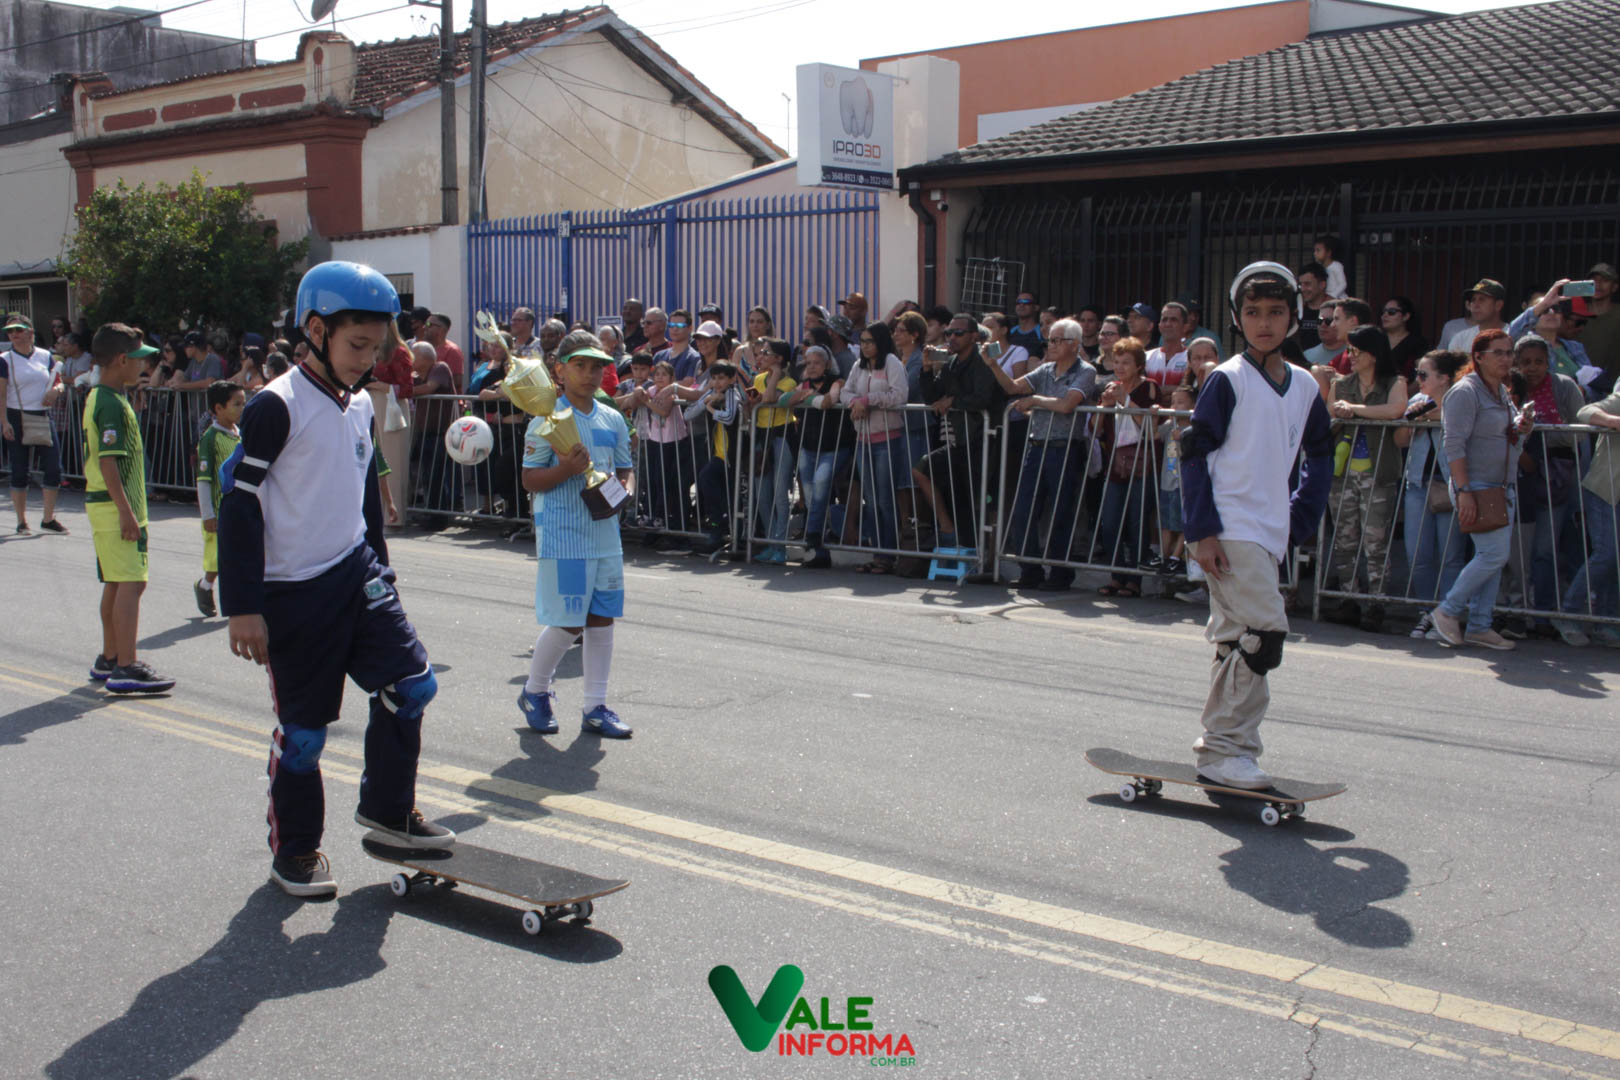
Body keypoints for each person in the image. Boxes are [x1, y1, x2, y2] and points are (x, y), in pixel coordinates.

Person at [221, 262, 454, 899]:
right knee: (304, 737)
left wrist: (383, 570)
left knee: (413, 685)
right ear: (317, 331)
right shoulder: (276, 406)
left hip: (357, 575)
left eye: (376, 348)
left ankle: (387, 809)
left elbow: (362, 499)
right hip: (292, 593)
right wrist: (242, 605)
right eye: (357, 345)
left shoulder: (359, 406)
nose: (367, 360)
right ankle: (295, 850)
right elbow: (239, 503)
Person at [1180, 262, 1334, 790]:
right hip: (1229, 526)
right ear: (1236, 317)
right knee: (1265, 633)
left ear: (1293, 316)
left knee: (1235, 641)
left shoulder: (1305, 384)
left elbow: (1320, 452)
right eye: (1252, 312)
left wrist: (1301, 514)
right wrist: (1201, 531)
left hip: (1269, 530)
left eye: (1275, 312)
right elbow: (1194, 453)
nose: (1263, 323)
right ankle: (1226, 750)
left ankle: (1218, 750)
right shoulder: (1228, 379)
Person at [514, 331, 635, 739]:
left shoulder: (612, 418)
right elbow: (530, 479)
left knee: (602, 619)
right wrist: (567, 469)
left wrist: (624, 491)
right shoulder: (545, 420)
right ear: (559, 370)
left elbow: (624, 466)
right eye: (580, 365)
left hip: (605, 536)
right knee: (569, 622)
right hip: (565, 537)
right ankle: (534, 691)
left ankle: (595, 707)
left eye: (597, 366)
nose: (589, 374)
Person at [83, 323, 175, 694]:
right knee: (132, 583)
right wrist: (126, 512)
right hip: (115, 507)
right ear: (121, 360)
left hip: (105, 506)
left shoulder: (104, 396)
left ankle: (110, 657)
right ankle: (126, 665)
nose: (143, 366)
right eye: (138, 359)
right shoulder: (109, 402)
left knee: (117, 582)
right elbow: (108, 462)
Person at [1428, 329, 1534, 650]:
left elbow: (1507, 436)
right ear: (1478, 357)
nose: (1506, 358)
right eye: (1498, 353)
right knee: (1494, 554)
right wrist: (1464, 491)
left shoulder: (1500, 390)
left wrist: (1523, 427)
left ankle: (1479, 626)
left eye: (1509, 352)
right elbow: (1453, 444)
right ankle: (1447, 611)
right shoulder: (1465, 392)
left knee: (1493, 557)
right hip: (1476, 486)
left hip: (1500, 486)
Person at [985, 317, 1096, 591]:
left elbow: (1068, 404)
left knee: (1060, 512)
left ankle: (1059, 573)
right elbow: (1013, 388)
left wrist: (1035, 400)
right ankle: (1030, 569)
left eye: (1058, 340)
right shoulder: (1045, 369)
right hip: (1036, 446)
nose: (1052, 345)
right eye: (1050, 340)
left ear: (1074, 344)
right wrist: (993, 365)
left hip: (1064, 447)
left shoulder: (1085, 371)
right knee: (1023, 509)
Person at [1324, 325, 1409, 633]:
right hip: (1343, 473)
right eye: (1350, 350)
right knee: (1344, 540)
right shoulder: (1342, 384)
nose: (1351, 356)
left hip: (1377, 472)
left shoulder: (1395, 382)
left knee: (1376, 542)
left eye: (1356, 351)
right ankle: (1348, 598)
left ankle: (1376, 602)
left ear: (1374, 354)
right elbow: (1330, 414)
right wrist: (1342, 413)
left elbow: (1395, 409)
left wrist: (1355, 410)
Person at [1506, 333, 1583, 636]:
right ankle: (1518, 611)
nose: (1532, 368)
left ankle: (1544, 613)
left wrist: (1538, 432)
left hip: (1556, 478)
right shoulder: (1512, 388)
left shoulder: (1564, 386)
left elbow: (1579, 430)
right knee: (1518, 552)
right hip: (1520, 476)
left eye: (1539, 361)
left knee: (1545, 549)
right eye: (1525, 362)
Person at [914, 313, 1008, 551]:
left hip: (986, 440)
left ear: (974, 336)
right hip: (961, 441)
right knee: (923, 469)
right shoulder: (951, 362)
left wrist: (953, 401)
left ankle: (987, 557)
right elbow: (933, 397)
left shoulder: (983, 360)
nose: (952, 338)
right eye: (949, 333)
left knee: (982, 499)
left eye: (958, 333)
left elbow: (983, 397)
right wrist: (926, 369)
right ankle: (950, 532)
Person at [1395, 349, 1469, 637]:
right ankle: (1426, 613)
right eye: (1418, 374)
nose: (1419, 379)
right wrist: (1412, 420)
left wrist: (1440, 417)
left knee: (1451, 556)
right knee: (1417, 555)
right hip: (1418, 484)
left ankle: (1447, 614)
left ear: (1444, 378)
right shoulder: (1416, 401)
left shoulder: (1461, 401)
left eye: (1424, 374)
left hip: (1450, 485)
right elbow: (1400, 440)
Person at [1552, 383, 1620, 647]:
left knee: (1614, 559)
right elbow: (1586, 412)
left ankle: (1606, 623)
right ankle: (1567, 614)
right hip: (1606, 490)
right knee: (1606, 554)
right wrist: (1614, 421)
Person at [1094, 337, 1161, 597]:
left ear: (1139, 365)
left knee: (1137, 521)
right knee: (1110, 522)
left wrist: (1128, 400)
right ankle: (1116, 575)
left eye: (1126, 363)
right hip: (1116, 463)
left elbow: (1151, 427)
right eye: (1117, 362)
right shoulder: (1111, 387)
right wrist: (1105, 406)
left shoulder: (1150, 387)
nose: (1119, 367)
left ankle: (1134, 579)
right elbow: (1095, 429)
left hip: (1143, 463)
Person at [845, 322, 910, 574]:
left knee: (885, 499)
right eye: (862, 341)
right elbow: (845, 392)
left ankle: (888, 554)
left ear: (880, 342)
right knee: (871, 500)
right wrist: (855, 401)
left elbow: (899, 395)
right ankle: (877, 553)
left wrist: (868, 400)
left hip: (887, 439)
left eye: (869, 341)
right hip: (863, 439)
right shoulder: (858, 366)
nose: (865, 346)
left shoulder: (892, 363)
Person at [2, 313, 69, 534]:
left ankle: (48, 519)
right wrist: (4, 422)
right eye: (10, 331)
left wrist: (56, 391)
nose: (14, 334)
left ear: (30, 331)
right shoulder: (5, 359)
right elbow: (1, 393)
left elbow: (58, 381)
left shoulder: (45, 356)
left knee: (53, 468)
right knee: (19, 470)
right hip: (16, 414)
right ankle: (21, 521)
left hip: (42, 414)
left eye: (18, 330)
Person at [784, 345, 849, 568]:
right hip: (808, 446)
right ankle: (818, 545)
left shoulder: (838, 382)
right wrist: (806, 395)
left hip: (834, 447)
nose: (811, 367)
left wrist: (807, 398)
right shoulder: (804, 385)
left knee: (821, 484)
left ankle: (813, 537)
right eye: (808, 363)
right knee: (812, 494)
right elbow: (783, 401)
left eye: (817, 363)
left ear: (827, 364)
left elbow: (828, 401)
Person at [193, 380, 244, 617]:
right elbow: (204, 479)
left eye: (243, 403)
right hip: (219, 509)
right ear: (218, 408)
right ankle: (205, 586)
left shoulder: (239, 435)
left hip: (240, 507)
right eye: (236, 404)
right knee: (218, 558)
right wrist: (208, 514)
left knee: (236, 555)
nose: (241, 408)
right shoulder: (210, 438)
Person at [749, 338, 797, 564]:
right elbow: (754, 404)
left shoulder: (789, 382)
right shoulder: (758, 379)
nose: (761, 356)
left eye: (766, 353)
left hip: (781, 435)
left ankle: (780, 545)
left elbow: (769, 398)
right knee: (762, 494)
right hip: (761, 436)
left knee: (779, 494)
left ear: (779, 358)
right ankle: (770, 542)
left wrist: (776, 372)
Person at [1147, 382, 1197, 584]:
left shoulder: (1194, 428)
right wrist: (1154, 416)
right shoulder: (1170, 425)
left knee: (1183, 521)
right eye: (1173, 402)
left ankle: (1177, 556)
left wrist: (1183, 438)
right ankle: (1164, 555)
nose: (1175, 407)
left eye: (1180, 402)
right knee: (1166, 521)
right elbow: (1153, 435)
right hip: (1167, 481)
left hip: (1184, 483)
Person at [1507, 281, 1593, 379]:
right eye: (1545, 310)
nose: (1551, 312)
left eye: (1556, 308)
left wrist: (1584, 387)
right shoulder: (1523, 344)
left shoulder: (1575, 347)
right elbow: (1509, 336)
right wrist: (1544, 304)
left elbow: (1592, 381)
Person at [1581, 262, 1620, 394]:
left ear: (1614, 287)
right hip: (1580, 386)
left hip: (1612, 388)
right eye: (1593, 280)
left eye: (1604, 280)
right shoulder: (1575, 314)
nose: (1597, 284)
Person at [1379, 296, 1430, 381]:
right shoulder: (1376, 338)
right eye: (1383, 311)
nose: (1384, 316)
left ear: (1406, 316)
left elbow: (1422, 373)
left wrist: (1405, 389)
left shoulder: (1418, 343)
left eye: (1391, 312)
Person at [1448, 280, 1507, 353]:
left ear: (1498, 305)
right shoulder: (1460, 339)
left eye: (1482, 299)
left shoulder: (1512, 334)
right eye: (1473, 300)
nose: (1475, 305)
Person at [1144, 302, 1190, 387]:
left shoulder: (1190, 359)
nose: (1168, 324)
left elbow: (1190, 391)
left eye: (1173, 320)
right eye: (1164, 320)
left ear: (1185, 327)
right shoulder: (1146, 357)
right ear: (1159, 326)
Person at [421, 313, 466, 391]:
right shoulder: (423, 348)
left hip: (443, 398)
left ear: (441, 329)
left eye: (428, 324)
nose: (424, 327)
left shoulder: (452, 351)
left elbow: (457, 382)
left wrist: (434, 383)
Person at [659, 309, 701, 381]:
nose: (675, 329)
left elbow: (688, 383)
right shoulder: (659, 356)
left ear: (690, 328)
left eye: (680, 325)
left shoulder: (694, 358)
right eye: (671, 325)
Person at [1295, 263, 1329, 350]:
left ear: (1322, 285)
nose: (1302, 289)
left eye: (1307, 284)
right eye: (1300, 284)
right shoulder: (1297, 311)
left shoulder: (1335, 311)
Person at [1008, 290, 1046, 359]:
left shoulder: (1042, 332)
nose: (1021, 305)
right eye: (1018, 302)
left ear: (1036, 307)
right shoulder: (1010, 332)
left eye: (1027, 302)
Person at [1314, 235, 1348, 299]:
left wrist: (1333, 295)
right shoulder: (1319, 267)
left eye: (1318, 250)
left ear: (1328, 252)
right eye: (1315, 251)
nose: (1315, 253)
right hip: (1326, 298)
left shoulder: (1336, 266)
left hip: (1339, 298)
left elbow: (1343, 284)